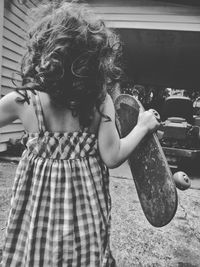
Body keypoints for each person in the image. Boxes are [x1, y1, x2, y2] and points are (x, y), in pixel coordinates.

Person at [0, 1, 160, 266]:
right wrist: (142, 126)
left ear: (43, 51)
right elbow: (112, 156)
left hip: (38, 217)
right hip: (84, 220)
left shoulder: (25, 101)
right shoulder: (99, 101)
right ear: (95, 59)